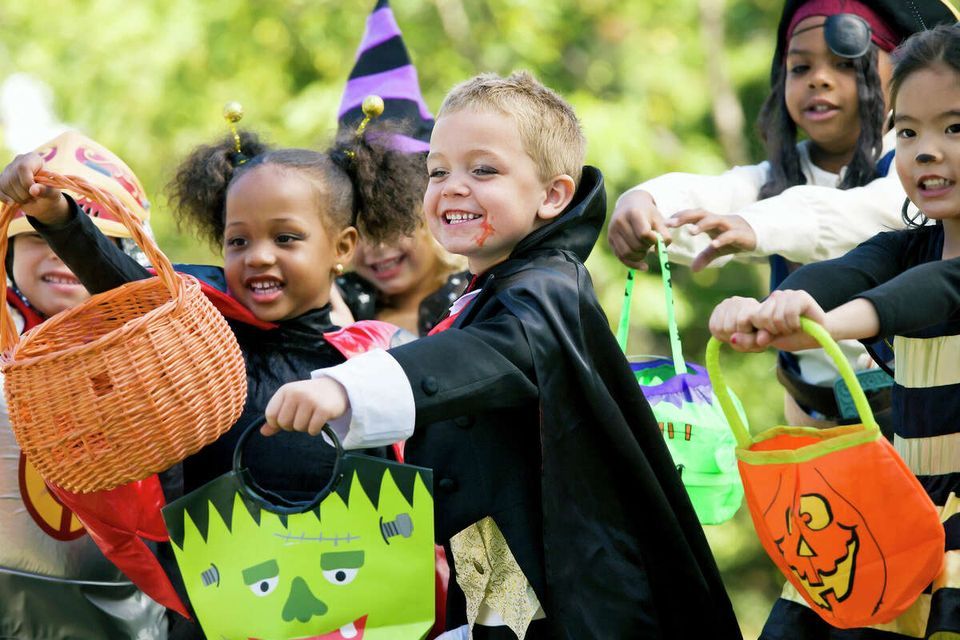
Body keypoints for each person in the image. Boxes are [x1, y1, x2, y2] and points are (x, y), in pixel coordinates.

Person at [261, 71, 742, 640]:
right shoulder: (487, 293)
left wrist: (345, 388)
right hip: (503, 589)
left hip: (584, 603)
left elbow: (489, 353)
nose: (453, 187)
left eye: (483, 169)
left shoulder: (546, 291)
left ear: (552, 196)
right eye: (437, 171)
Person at [0, 123, 420, 638]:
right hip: (211, 614)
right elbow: (125, 287)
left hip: (353, 614)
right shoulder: (199, 331)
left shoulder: (381, 363)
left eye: (286, 238)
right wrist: (58, 218)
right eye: (237, 240)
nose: (258, 255)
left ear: (344, 246)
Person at [709, 23, 960, 638]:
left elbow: (923, 295)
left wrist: (827, 324)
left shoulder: (927, 276)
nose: (926, 149)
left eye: (955, 128)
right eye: (907, 131)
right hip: (901, 512)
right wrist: (763, 312)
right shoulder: (900, 248)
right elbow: (837, 276)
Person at [610, 0, 958, 429]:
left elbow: (867, 215)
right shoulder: (778, 180)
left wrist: (758, 225)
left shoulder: (908, 175)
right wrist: (645, 202)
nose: (820, 81)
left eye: (845, 63)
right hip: (812, 422)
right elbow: (718, 194)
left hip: (911, 417)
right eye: (800, 68)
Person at [0, 131, 166, 638]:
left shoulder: (154, 349)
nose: (58, 255)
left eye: (70, 240)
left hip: (130, 610)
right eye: (36, 237)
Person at [333, 0, 468, 336]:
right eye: (362, 228)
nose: (377, 247)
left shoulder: (476, 304)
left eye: (391, 223)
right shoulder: (335, 306)